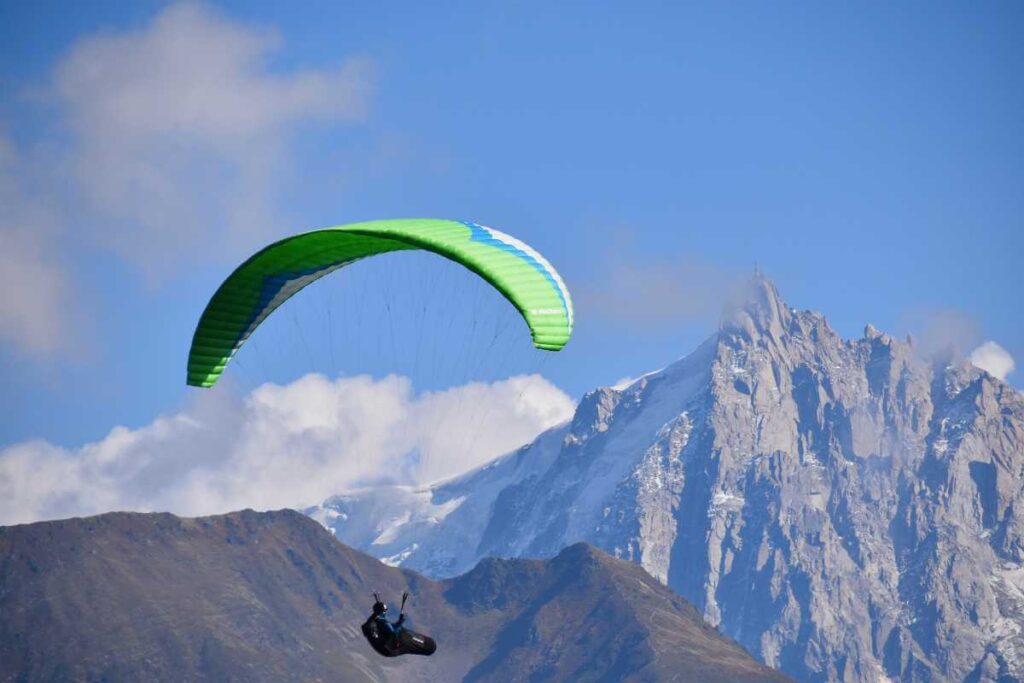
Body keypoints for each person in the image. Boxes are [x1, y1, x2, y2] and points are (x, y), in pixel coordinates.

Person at [361, 591, 436, 658]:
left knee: (401, 632)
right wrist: (400, 622)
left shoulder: (373, 621)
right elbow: (394, 634)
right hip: (389, 648)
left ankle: (426, 645)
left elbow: (388, 632)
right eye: (385, 610)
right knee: (403, 635)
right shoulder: (383, 623)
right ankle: (427, 646)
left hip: (385, 648)